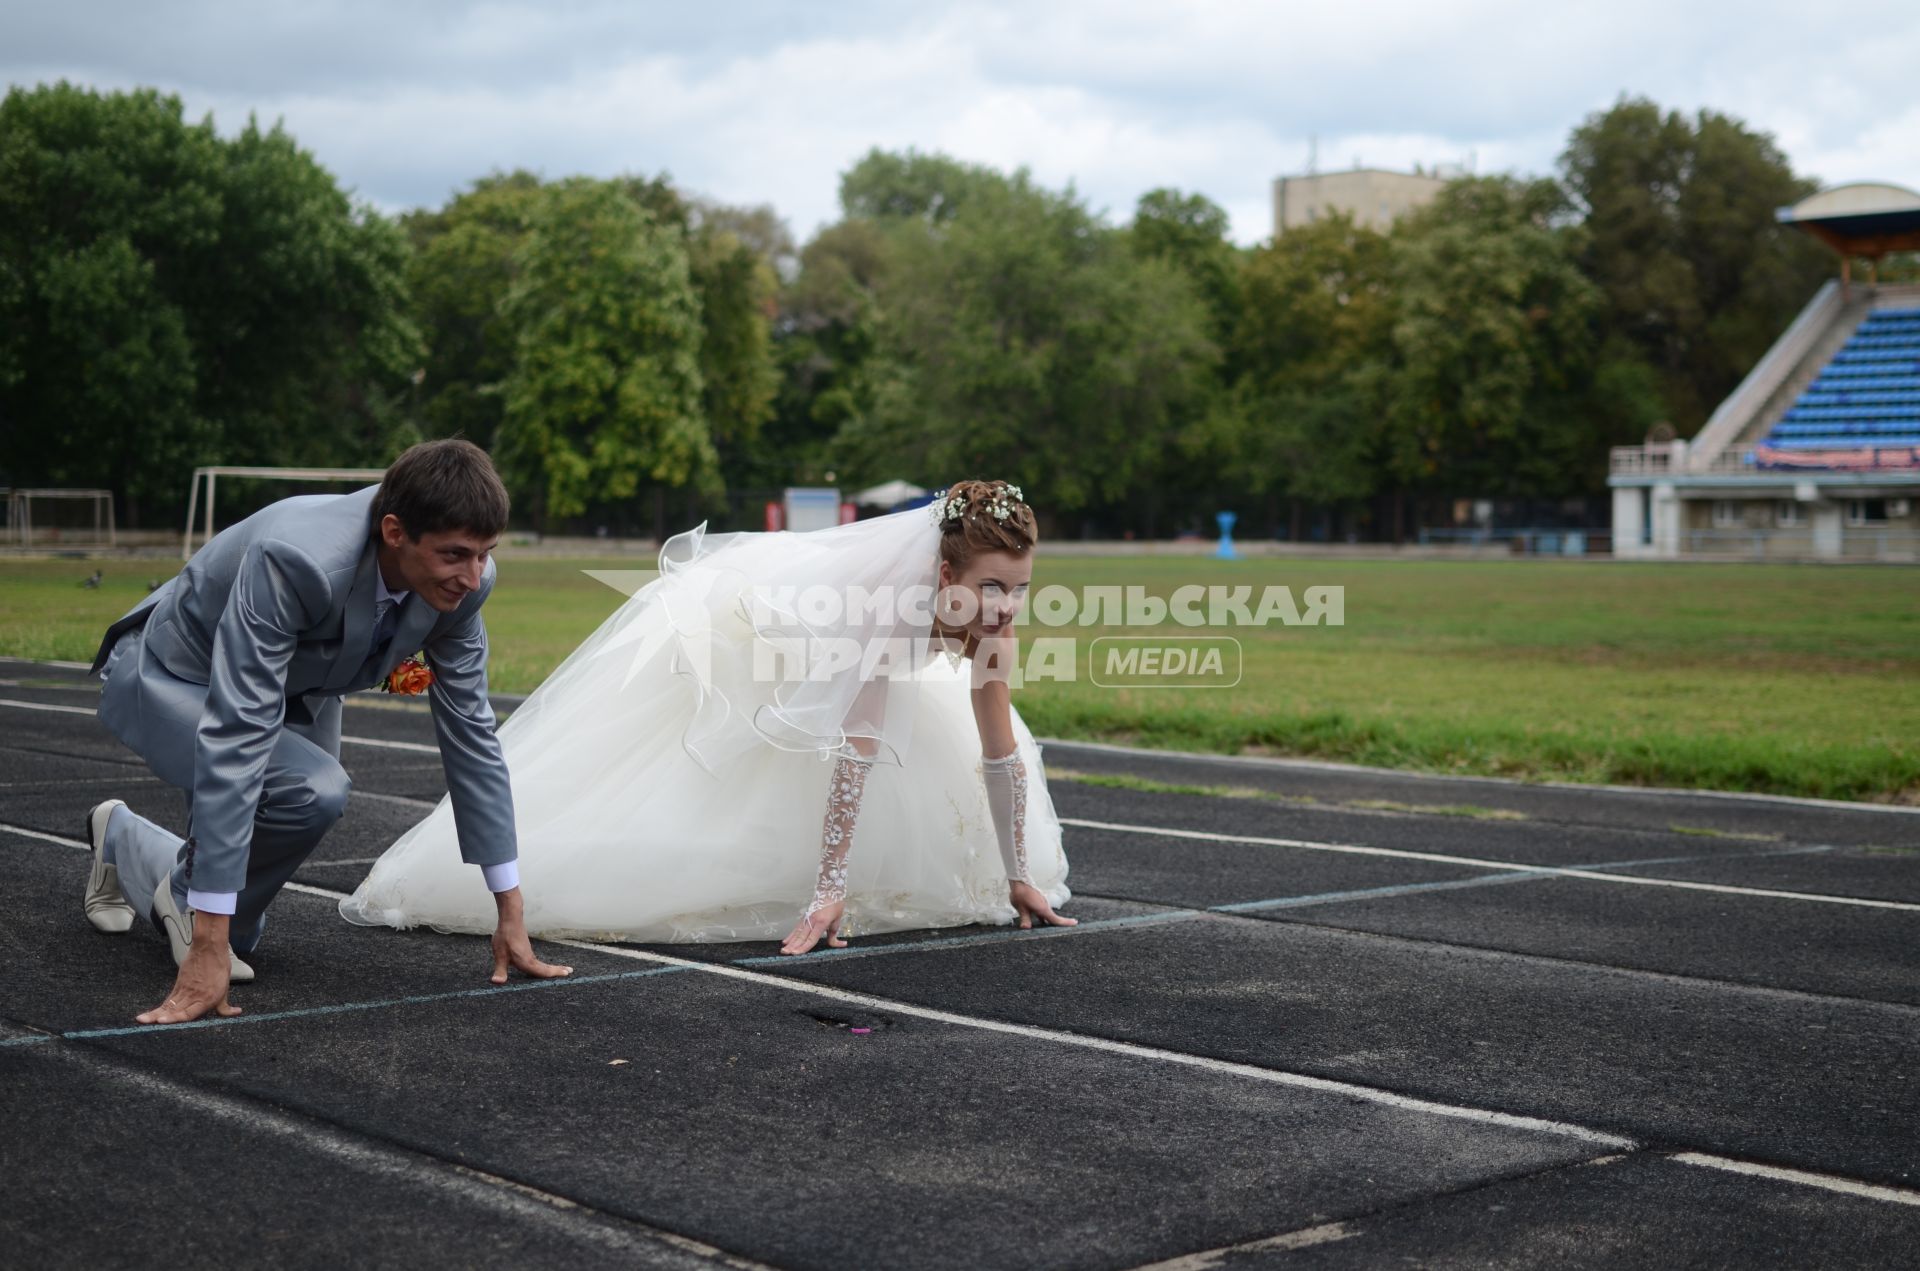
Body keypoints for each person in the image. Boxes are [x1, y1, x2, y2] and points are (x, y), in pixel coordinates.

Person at [340, 478, 1075, 952]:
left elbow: (999, 750)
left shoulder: (997, 629)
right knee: (717, 780)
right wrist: (828, 892)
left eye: (1021, 587)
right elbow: (858, 747)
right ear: (945, 575)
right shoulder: (886, 608)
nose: (1008, 607)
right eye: (993, 587)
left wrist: (1016, 873)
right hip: (758, 634)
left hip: (836, 653)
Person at [83, 439, 572, 1024]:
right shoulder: (298, 557)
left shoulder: (466, 585)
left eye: (485, 554)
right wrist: (209, 940)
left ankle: (125, 842)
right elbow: (240, 727)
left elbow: (473, 737)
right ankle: (191, 905)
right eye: (455, 555)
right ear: (395, 532)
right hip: (179, 672)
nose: (473, 576)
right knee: (310, 789)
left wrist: (509, 909)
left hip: (297, 684)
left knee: (252, 910)